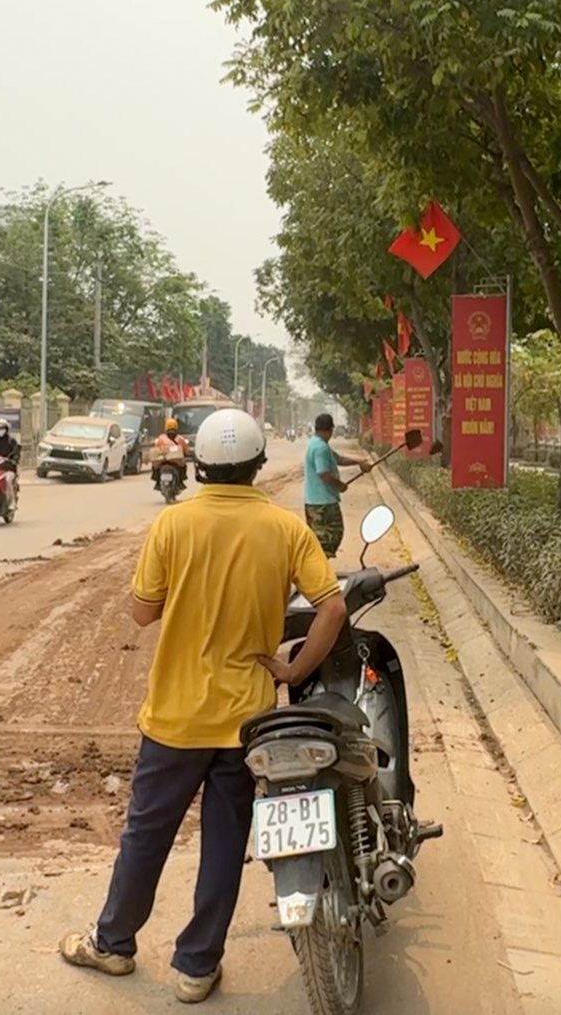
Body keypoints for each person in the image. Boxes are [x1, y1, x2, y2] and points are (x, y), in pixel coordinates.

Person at [59, 408, 346, 1004]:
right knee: (224, 843)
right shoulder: (286, 529)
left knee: (147, 836)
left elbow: (143, 612)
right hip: (247, 723)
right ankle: (197, 967)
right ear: (258, 464)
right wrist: (294, 670)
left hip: (175, 717)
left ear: (198, 466)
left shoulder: (173, 524)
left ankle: (113, 945)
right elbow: (333, 607)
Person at [303, 412, 373, 558]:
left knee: (320, 539)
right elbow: (324, 473)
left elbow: (339, 459)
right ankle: (319, 567)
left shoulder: (317, 443)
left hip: (315, 501)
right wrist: (339, 485)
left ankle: (319, 566)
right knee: (330, 537)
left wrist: (359, 462)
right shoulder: (320, 448)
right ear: (330, 430)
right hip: (323, 503)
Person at [151, 418, 190, 491]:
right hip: (175, 462)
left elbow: (156, 449)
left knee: (155, 467)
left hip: (163, 461)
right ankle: (181, 482)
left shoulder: (161, 438)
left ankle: (157, 483)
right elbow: (185, 450)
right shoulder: (180, 438)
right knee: (183, 466)